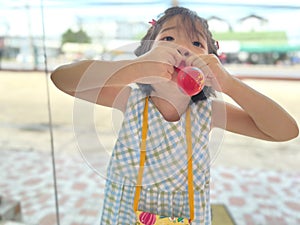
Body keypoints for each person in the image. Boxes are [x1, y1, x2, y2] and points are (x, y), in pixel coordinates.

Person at [51, 6, 299, 225]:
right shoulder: (130, 100)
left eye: (197, 44)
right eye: (168, 38)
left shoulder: (209, 113)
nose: (182, 49)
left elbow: (285, 131)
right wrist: (133, 69)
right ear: (147, 52)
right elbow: (62, 79)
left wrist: (229, 84)